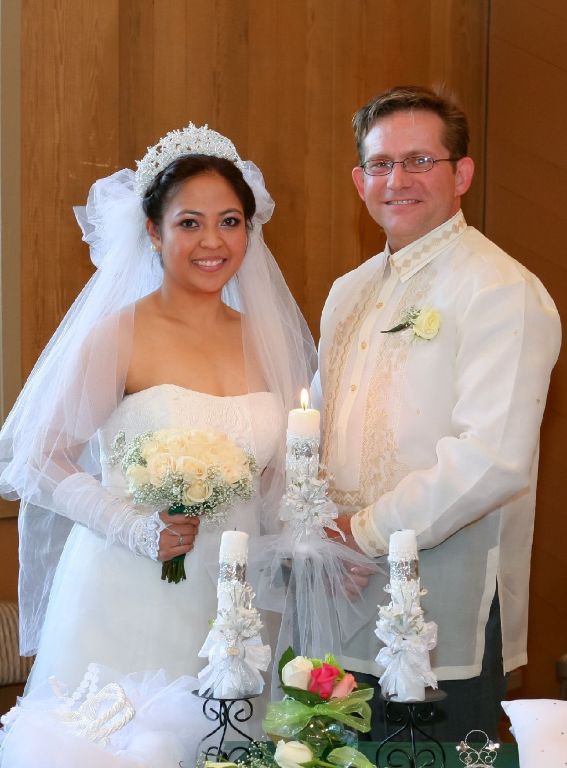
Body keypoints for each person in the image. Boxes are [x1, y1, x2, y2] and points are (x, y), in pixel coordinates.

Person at [0, 124, 316, 766]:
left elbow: (284, 483)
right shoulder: (120, 333)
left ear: (249, 235)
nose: (212, 241)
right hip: (126, 589)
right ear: (154, 232)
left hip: (233, 603)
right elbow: (36, 459)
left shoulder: (269, 341)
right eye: (190, 223)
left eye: (230, 222)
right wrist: (136, 526)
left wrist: (319, 547)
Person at [313, 85, 561, 740]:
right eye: (380, 164)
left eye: (419, 160)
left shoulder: (499, 290)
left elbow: (491, 460)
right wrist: (316, 535)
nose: (396, 179)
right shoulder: (347, 293)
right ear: (358, 179)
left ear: (462, 174)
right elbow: (314, 429)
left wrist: (360, 533)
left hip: (437, 611)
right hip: (335, 601)